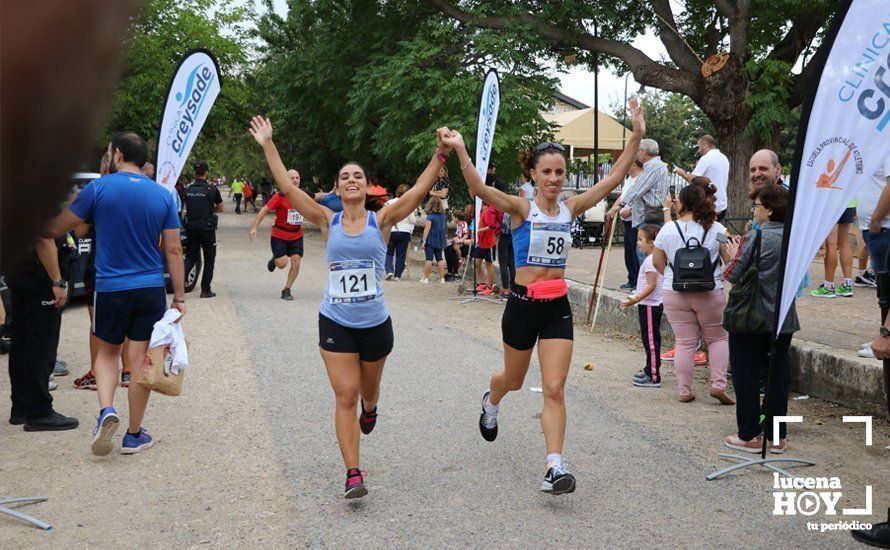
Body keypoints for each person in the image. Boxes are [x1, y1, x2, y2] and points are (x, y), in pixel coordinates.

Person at [443, 98, 644, 495]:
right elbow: (478, 188)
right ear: (533, 174)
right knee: (513, 381)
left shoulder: (570, 209)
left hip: (556, 308)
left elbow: (613, 178)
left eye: (560, 172)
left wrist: (636, 134)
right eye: (547, 172)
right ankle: (491, 400)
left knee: (554, 388)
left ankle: (554, 466)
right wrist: (463, 150)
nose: (554, 178)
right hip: (521, 306)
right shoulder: (520, 207)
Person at [249, 115, 450, 499]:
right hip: (336, 320)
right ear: (338, 188)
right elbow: (287, 191)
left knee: (367, 393)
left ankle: (371, 408)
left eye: (358, 175)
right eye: (345, 177)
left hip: (375, 323)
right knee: (345, 394)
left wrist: (441, 152)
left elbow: (421, 190)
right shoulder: (328, 219)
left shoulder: (383, 219)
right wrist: (268, 144)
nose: (352, 180)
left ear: (365, 185)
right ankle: (353, 473)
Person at [46, 131, 186, 456]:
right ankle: (134, 434)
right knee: (137, 359)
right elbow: (175, 250)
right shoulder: (162, 195)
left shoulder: (98, 188)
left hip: (110, 286)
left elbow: (57, 228)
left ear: (118, 155)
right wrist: (178, 297)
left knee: (107, 353)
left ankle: (106, 410)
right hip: (150, 288)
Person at [722, 184, 798, 453]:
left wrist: (731, 255)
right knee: (778, 375)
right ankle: (777, 437)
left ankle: (749, 434)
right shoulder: (794, 238)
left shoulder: (756, 237)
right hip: (783, 317)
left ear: (768, 210)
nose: (753, 211)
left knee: (745, 373)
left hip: (750, 317)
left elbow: (732, 273)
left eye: (756, 206)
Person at [652, 183, 734, 404]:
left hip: (674, 291)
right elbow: (729, 262)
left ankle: (684, 390)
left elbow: (657, 263)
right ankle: (718, 384)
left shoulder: (667, 230)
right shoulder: (718, 230)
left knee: (685, 342)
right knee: (718, 338)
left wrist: (674, 275)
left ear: (682, 203)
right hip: (710, 292)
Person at [6, 236, 78, 431]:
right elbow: (43, 236)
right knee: (42, 344)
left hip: (19, 269)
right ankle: (40, 412)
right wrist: (57, 280)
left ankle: (21, 407)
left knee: (21, 341)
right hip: (39, 274)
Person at [611, 139, 670, 268]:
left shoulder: (652, 167)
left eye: (638, 151)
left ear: (644, 152)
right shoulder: (659, 166)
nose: (637, 154)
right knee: (650, 252)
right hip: (652, 214)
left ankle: (649, 284)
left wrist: (619, 206)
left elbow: (636, 189)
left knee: (645, 253)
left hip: (648, 216)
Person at [862, 152, 890, 425]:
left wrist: (875, 221)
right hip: (879, 228)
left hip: (884, 227)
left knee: (886, 297)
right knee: (882, 297)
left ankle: (885, 334)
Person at [249, 169, 305, 300]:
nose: (295, 180)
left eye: (297, 177)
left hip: (296, 235)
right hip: (279, 234)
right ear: (285, 180)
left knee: (296, 261)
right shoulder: (279, 196)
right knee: (282, 264)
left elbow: (318, 197)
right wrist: (254, 227)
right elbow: (264, 210)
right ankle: (275, 259)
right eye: (292, 178)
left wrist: (335, 191)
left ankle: (286, 289)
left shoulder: (303, 195)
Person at [624, 224, 665, 388]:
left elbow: (651, 285)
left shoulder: (650, 262)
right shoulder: (653, 259)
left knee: (651, 341)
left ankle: (654, 375)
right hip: (648, 304)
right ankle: (650, 369)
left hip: (650, 306)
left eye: (641, 239)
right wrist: (636, 295)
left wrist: (635, 299)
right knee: (649, 339)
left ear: (652, 242)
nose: (637, 243)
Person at [183, 161, 224, 298]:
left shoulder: (187, 189)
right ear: (206, 173)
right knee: (209, 259)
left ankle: (178, 284)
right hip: (207, 229)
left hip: (191, 228)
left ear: (195, 173)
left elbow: (183, 208)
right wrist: (209, 209)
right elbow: (221, 208)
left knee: (190, 257)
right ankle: (205, 290)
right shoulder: (212, 189)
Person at [673, 135, 730, 222]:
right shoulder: (724, 158)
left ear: (704, 145)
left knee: (703, 233)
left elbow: (692, 179)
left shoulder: (706, 158)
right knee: (716, 232)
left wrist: (680, 172)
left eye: (699, 147)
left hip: (709, 206)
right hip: (722, 205)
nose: (698, 150)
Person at [609, 159, 644, 291]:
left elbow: (640, 199)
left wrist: (629, 211)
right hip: (626, 220)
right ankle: (632, 279)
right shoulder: (629, 179)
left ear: (634, 164)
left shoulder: (641, 179)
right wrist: (614, 208)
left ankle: (638, 282)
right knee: (628, 251)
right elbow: (623, 196)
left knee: (637, 252)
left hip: (636, 220)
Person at [811, 201, 856, 298]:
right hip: (849, 202)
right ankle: (847, 285)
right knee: (844, 242)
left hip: (831, 202)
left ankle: (828, 287)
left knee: (831, 244)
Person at [384, 184, 415, 281]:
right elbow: (413, 220)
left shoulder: (389, 203)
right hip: (404, 231)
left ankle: (389, 270)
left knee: (389, 252)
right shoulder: (409, 204)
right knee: (401, 254)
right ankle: (397, 275)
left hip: (391, 230)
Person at [472, 202, 499, 295]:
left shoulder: (487, 212)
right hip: (481, 242)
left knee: (489, 264)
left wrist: (479, 230)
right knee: (477, 263)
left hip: (489, 243)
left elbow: (491, 227)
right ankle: (483, 282)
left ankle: (489, 287)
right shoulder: (481, 213)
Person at [495, 180, 516, 299]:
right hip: (513, 236)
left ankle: (506, 291)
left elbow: (498, 222)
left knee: (503, 264)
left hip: (503, 235)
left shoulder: (501, 203)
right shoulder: (513, 202)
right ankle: (513, 289)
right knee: (512, 263)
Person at [420, 195, 447, 283]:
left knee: (429, 259)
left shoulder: (430, 217)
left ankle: (426, 278)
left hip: (430, 240)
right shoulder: (443, 216)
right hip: (439, 240)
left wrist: (423, 241)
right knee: (440, 258)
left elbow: (427, 230)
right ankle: (442, 278)